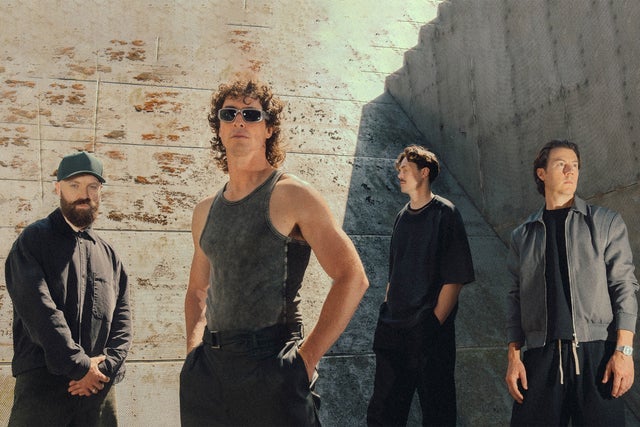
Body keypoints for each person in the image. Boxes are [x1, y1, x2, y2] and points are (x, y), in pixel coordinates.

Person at [179, 78, 369, 426]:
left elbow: (352, 276)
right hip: (209, 374)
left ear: (268, 129)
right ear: (219, 128)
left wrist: (306, 360)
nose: (239, 121)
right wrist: (193, 353)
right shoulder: (205, 210)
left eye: (251, 114)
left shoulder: (293, 195)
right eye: (229, 114)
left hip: (273, 368)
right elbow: (196, 290)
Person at [505, 140, 638, 425]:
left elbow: (624, 287)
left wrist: (624, 351)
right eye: (561, 164)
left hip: (596, 356)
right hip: (540, 358)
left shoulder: (605, 223)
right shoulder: (523, 235)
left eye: (575, 165)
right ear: (541, 173)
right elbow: (515, 298)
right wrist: (514, 358)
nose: (570, 171)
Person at [5, 151, 132, 426]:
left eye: (92, 186)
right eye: (74, 185)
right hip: (44, 389)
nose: (84, 195)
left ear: (101, 192)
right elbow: (39, 311)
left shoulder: (109, 255)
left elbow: (123, 322)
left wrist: (105, 366)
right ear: (58, 188)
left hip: (98, 390)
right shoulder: (33, 241)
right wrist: (80, 366)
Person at [367, 145, 475, 426]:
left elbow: (455, 278)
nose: (399, 174)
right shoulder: (402, 216)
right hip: (393, 331)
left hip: (428, 334)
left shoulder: (446, 214)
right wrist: (387, 312)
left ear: (424, 172)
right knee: (383, 414)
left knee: (437, 412)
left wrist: (432, 325)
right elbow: (394, 274)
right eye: (399, 170)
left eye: (405, 169)